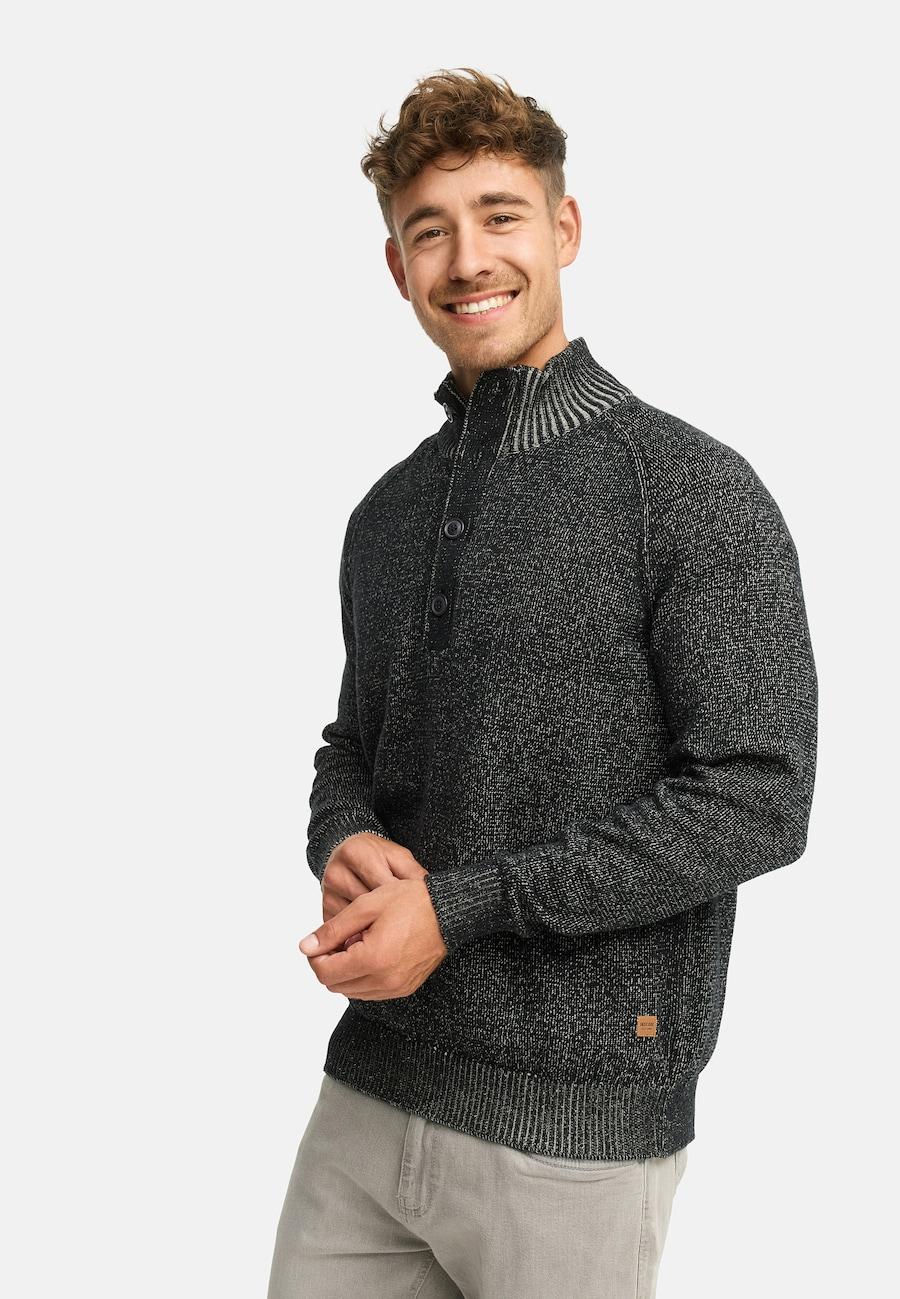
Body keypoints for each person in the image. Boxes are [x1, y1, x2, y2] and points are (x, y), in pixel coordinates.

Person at [267, 67, 818, 1298]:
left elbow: (757, 798)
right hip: (368, 1094)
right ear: (397, 266)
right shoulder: (388, 514)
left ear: (564, 228)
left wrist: (459, 910)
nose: (468, 258)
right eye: (429, 230)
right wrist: (342, 831)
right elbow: (353, 740)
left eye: (500, 214)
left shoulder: (689, 490)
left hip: (576, 1135)